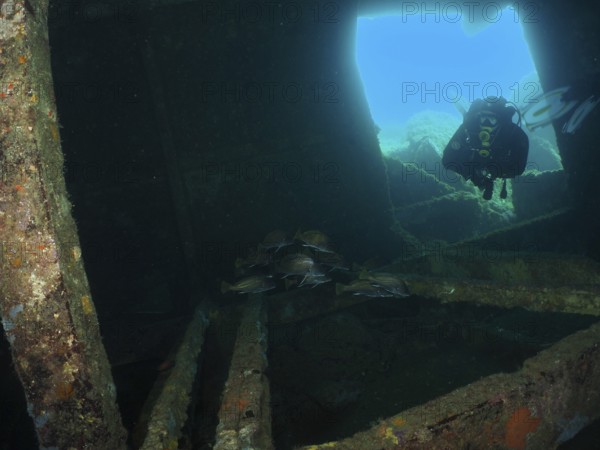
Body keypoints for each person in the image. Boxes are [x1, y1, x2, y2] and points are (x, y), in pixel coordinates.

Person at [442, 96, 529, 200]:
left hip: (497, 166)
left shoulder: (513, 134)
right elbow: (447, 160)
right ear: (478, 118)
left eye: (492, 119)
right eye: (483, 119)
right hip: (473, 165)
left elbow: (518, 168)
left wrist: (493, 171)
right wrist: (471, 172)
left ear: (500, 121)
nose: (487, 124)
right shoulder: (468, 129)